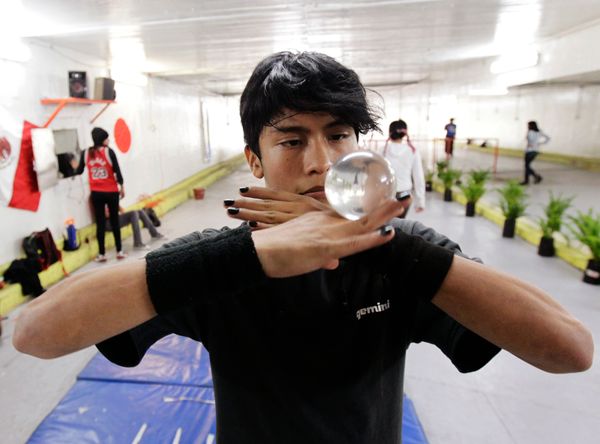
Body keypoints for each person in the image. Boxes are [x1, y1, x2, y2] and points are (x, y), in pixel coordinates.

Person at [13, 52, 593, 444]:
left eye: (338, 135)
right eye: (292, 140)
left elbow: (570, 349)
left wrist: (385, 247)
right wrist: (249, 257)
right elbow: (34, 334)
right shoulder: (220, 265)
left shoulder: (400, 254)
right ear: (255, 161)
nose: (321, 162)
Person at [72, 127, 126, 262]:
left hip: (96, 193)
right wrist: (122, 186)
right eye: (107, 138)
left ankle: (102, 254)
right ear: (103, 139)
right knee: (114, 221)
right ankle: (119, 251)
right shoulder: (109, 152)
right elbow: (117, 171)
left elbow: (79, 171)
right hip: (111, 192)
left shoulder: (85, 153)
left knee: (100, 223)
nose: (108, 140)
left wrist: (72, 165)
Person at [383, 119, 425, 217]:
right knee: (400, 224)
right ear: (404, 133)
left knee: (387, 223)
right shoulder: (412, 151)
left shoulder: (382, 150)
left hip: (386, 193)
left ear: (389, 133)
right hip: (405, 194)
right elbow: (418, 177)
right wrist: (420, 202)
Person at [520, 120, 550, 185]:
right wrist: (539, 143)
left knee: (527, 166)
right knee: (527, 166)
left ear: (531, 125)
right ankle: (528, 180)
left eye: (528, 125)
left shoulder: (530, 132)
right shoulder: (539, 132)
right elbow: (548, 138)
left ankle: (535, 177)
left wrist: (532, 143)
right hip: (536, 150)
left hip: (529, 151)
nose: (527, 126)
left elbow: (529, 140)